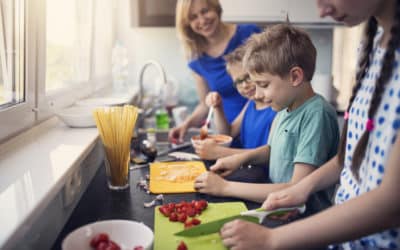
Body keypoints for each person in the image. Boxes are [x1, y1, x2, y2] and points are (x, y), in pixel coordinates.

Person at [219, 1, 400, 249]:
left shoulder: (315, 112)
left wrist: (271, 240)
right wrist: (301, 189)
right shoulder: (370, 47)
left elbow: (392, 205)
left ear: (295, 76)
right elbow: (344, 159)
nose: (321, 11)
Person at [194, 24, 340, 207]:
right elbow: (275, 150)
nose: (257, 95)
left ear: (295, 77)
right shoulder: (285, 107)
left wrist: (225, 187)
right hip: (275, 207)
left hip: (301, 217)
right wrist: (240, 158)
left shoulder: (316, 115)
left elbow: (296, 189)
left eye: (263, 85)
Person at [168, 0, 261, 144]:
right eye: (193, 17)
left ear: (216, 8)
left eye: (205, 11)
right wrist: (186, 125)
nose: (202, 20)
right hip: (229, 133)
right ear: (188, 24)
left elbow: (271, 79)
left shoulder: (250, 33)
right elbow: (205, 104)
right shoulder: (197, 59)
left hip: (261, 123)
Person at [192, 45, 276, 160]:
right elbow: (228, 133)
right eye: (238, 81)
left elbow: (271, 155)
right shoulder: (251, 104)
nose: (245, 85)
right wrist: (218, 107)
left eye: (248, 77)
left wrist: (220, 152)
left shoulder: (276, 108)